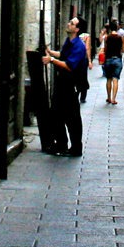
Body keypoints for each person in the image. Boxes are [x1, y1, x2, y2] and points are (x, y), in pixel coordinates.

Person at [43, 17, 87, 156]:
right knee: (56, 113)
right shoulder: (69, 41)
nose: (68, 24)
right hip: (62, 83)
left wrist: (51, 60)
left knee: (72, 117)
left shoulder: (79, 46)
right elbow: (63, 55)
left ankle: (75, 148)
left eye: (72, 23)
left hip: (70, 85)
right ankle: (61, 144)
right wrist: (50, 52)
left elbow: (69, 65)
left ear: (77, 29)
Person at [101, 23, 124, 106]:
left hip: (108, 59)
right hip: (117, 59)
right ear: (117, 28)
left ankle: (109, 97)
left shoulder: (107, 37)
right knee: (115, 79)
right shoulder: (120, 38)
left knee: (109, 79)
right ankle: (114, 99)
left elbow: (105, 49)